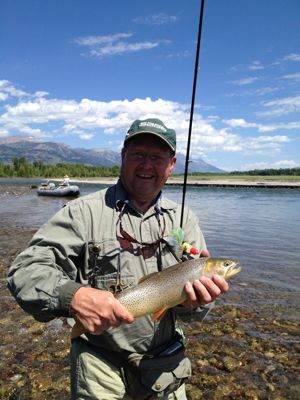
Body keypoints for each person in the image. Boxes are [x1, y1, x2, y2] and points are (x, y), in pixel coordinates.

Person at [7, 118, 229, 400]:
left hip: (165, 366)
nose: (147, 165)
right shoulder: (82, 212)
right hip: (99, 366)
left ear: (171, 165)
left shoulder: (184, 219)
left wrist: (195, 304)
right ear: (123, 156)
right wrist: (72, 297)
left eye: (157, 157)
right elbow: (25, 270)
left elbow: (191, 312)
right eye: (138, 155)